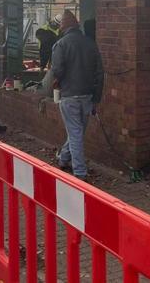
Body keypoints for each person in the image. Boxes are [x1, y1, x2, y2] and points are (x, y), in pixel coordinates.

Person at [52, 10, 104, 180]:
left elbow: (57, 70)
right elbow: (99, 73)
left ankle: (80, 172)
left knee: (75, 133)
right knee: (77, 132)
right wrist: (96, 97)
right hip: (87, 95)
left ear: (64, 26)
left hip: (69, 95)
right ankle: (63, 158)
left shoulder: (61, 44)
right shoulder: (90, 43)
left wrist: (56, 82)